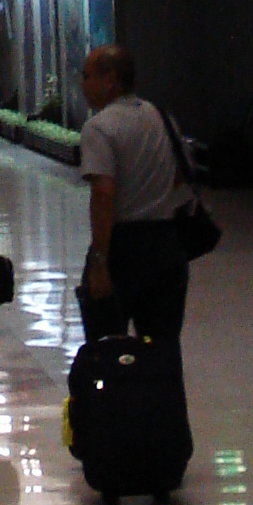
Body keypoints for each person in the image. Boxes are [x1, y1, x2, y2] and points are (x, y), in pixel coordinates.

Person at [78, 42, 188, 343]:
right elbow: (179, 174)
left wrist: (100, 261)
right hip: (166, 245)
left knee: (106, 347)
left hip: (123, 247)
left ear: (110, 79)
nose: (82, 85)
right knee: (163, 348)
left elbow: (103, 192)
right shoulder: (161, 117)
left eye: (86, 76)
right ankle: (164, 392)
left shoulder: (99, 128)